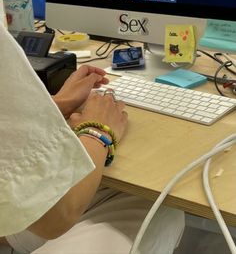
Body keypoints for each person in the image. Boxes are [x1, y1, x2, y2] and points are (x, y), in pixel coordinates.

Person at [0, 22, 184, 254]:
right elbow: (56, 217)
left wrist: (49, 108)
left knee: (119, 194)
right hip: (46, 220)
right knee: (159, 208)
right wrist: (98, 131)